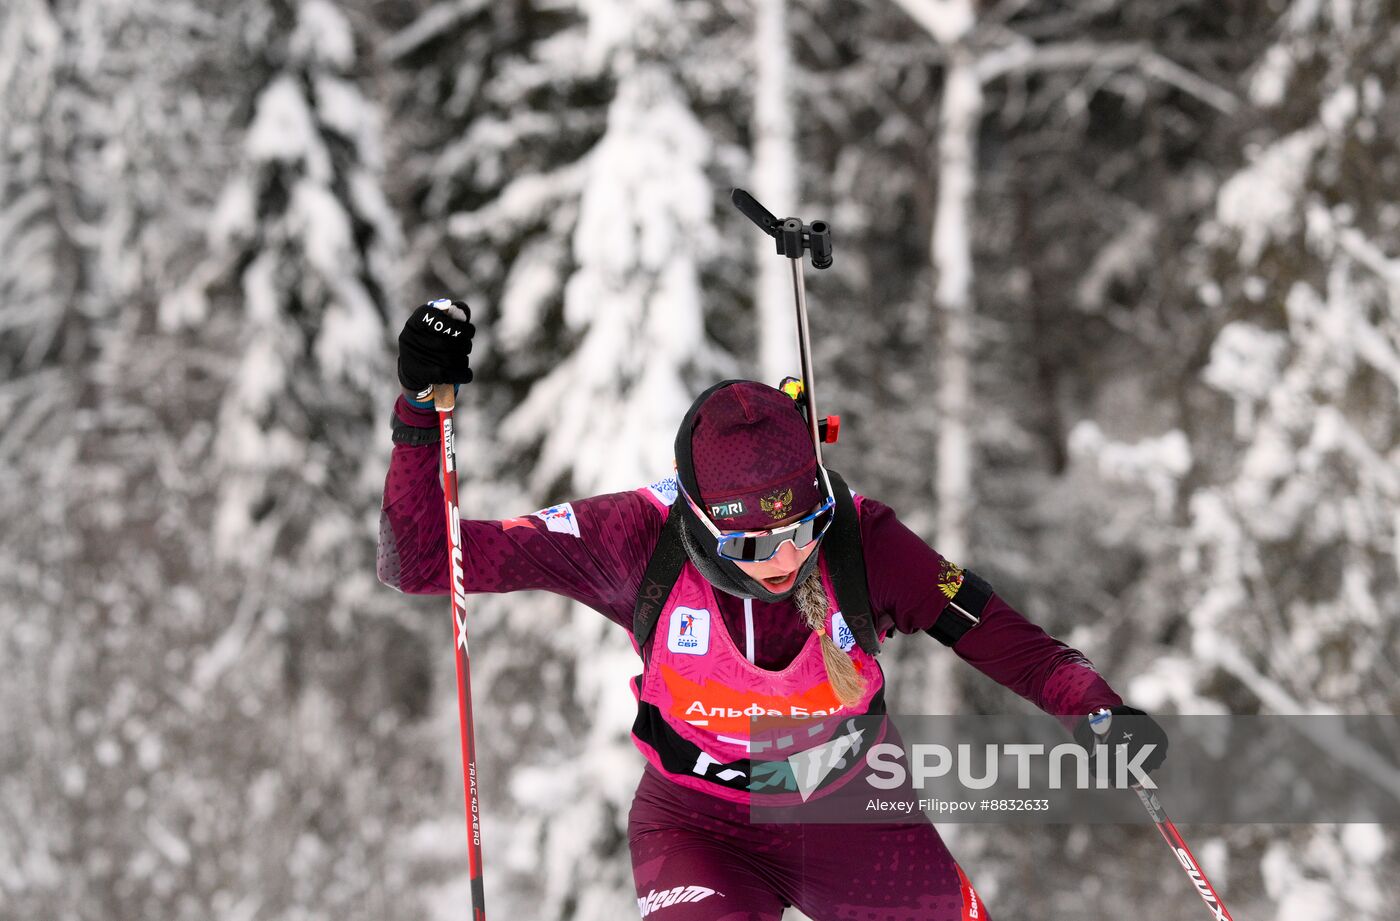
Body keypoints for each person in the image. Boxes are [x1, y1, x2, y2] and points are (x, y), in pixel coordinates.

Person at [378, 300, 1168, 920]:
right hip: (697, 828)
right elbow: (421, 562)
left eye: (800, 530)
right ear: (697, 518)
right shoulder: (632, 537)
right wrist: (420, 412)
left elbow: (1006, 640)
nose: (786, 560)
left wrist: (1093, 710)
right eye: (754, 546)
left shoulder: (864, 539)